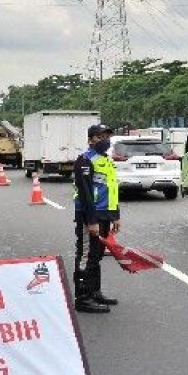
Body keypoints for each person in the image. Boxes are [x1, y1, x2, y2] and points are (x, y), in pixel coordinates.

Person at [71, 124, 120, 314]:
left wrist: (115, 215)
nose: (105, 140)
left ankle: (95, 292)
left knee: (97, 255)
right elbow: (85, 194)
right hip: (89, 215)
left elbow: (112, 189)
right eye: (100, 137)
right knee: (86, 255)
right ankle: (83, 298)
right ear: (91, 139)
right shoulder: (84, 161)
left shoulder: (106, 160)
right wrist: (91, 221)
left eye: (107, 136)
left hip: (105, 214)